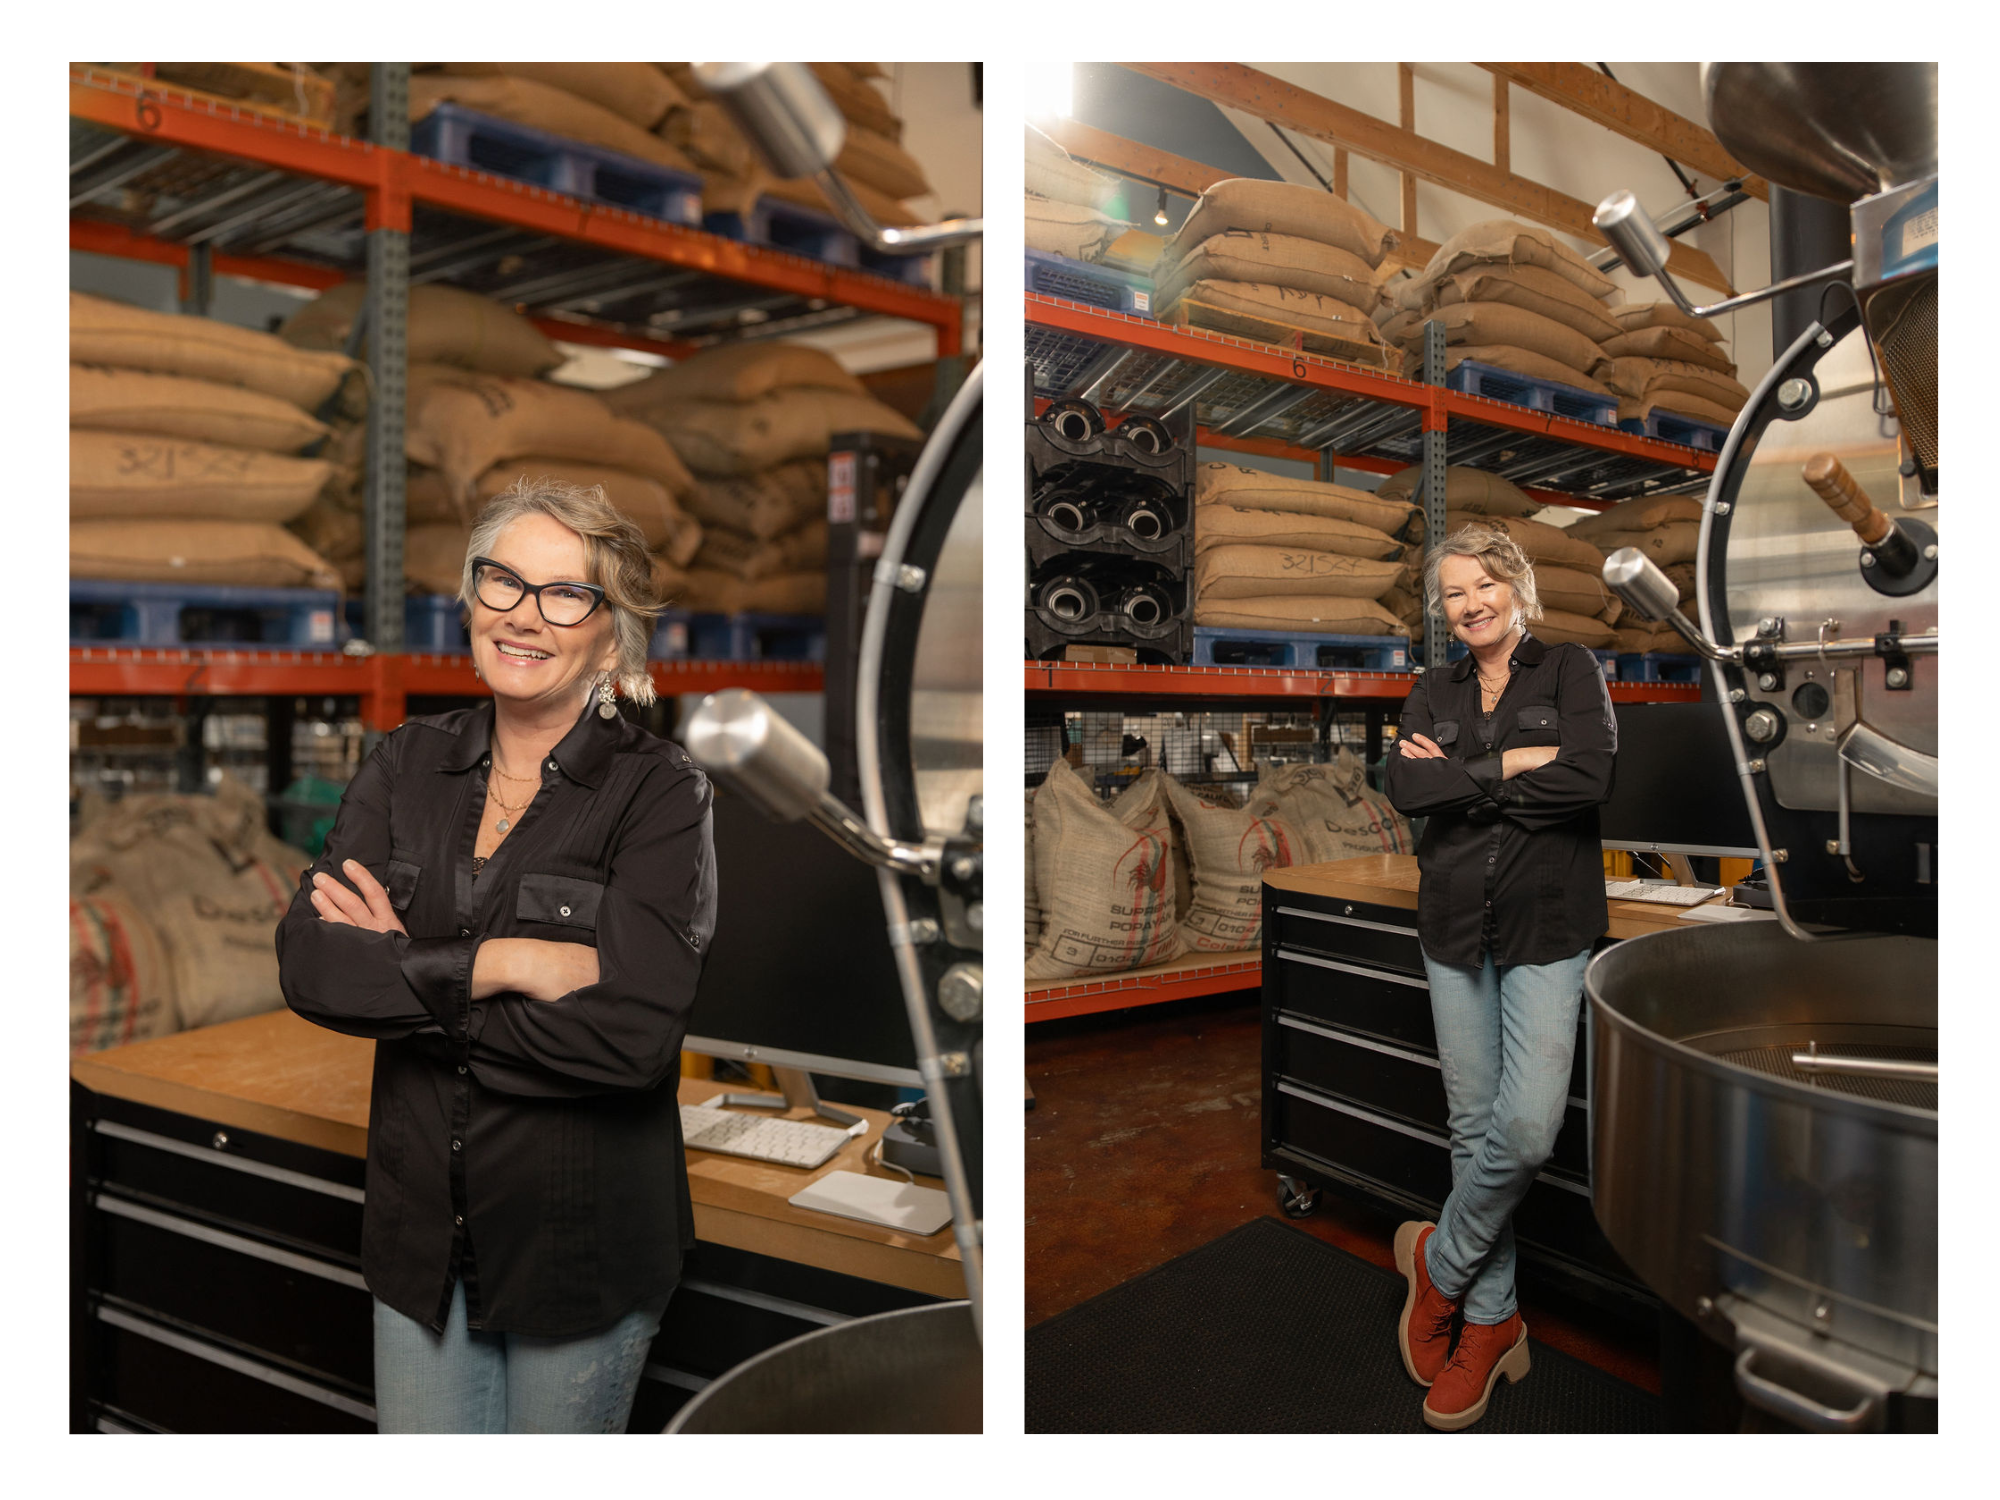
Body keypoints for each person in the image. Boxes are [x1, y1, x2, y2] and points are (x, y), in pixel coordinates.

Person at [276, 479, 716, 1433]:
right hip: (419, 1244)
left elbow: (630, 1041)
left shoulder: (661, 794)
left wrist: (404, 969)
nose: (524, 614)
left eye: (567, 594)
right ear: (471, 600)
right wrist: (506, 963)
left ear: (613, 637)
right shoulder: (405, 763)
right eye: (503, 581)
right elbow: (310, 966)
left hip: (577, 1251)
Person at [1381, 524, 1616, 1432]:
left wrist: (1463, 779)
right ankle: (1490, 1319)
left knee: (1523, 1131)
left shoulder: (1570, 672)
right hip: (1450, 925)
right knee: (1473, 1127)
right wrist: (1512, 763)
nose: (1471, 604)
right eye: (1454, 593)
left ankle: (1437, 1265)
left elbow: (1589, 778)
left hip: (1546, 927)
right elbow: (1406, 791)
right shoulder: (1431, 689)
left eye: (1485, 584)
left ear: (1517, 586)